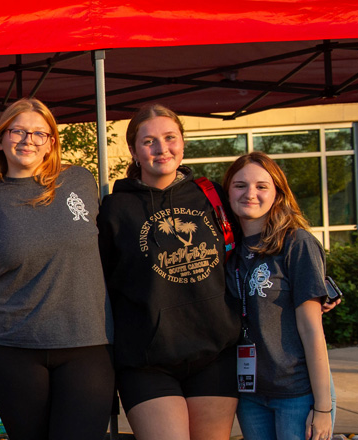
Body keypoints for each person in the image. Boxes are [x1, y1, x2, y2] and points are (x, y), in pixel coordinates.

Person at [0, 98, 114, 440]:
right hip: (11, 347)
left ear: (51, 143)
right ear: (0, 139)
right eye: (17, 131)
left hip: (87, 343)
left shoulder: (80, 181)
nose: (28, 140)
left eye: (39, 133)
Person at [99, 104, 241, 440]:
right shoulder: (115, 209)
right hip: (146, 362)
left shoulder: (211, 195)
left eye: (169, 138)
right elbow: (97, 279)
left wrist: (313, 279)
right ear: (134, 151)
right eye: (149, 141)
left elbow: (261, 238)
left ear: (182, 142)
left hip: (214, 354)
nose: (161, 149)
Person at [223, 152, 334, 440]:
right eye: (240, 185)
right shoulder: (227, 250)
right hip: (249, 394)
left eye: (261, 186)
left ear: (278, 193)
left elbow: (312, 329)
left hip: (297, 393)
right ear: (227, 192)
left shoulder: (297, 243)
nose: (250, 193)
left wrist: (323, 408)